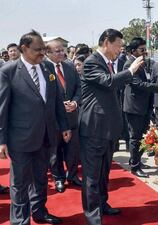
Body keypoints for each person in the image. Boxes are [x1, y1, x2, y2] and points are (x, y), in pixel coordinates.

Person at [0, 30, 71, 225]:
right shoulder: (9, 72)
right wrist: (2, 140)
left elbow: (56, 100)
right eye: (38, 49)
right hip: (20, 139)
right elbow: (2, 109)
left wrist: (64, 125)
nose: (42, 53)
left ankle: (39, 212)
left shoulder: (48, 69)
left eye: (44, 49)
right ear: (24, 48)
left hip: (47, 136)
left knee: (40, 179)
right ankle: (20, 221)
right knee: (20, 183)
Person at [79, 28, 143, 225]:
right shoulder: (91, 63)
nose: (120, 50)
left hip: (107, 129)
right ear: (106, 42)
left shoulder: (107, 63)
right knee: (92, 175)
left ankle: (103, 204)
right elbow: (107, 82)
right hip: (94, 128)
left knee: (104, 172)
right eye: (118, 46)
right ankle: (93, 216)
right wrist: (131, 70)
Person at [123, 37, 158, 178]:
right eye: (142, 50)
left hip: (144, 106)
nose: (145, 52)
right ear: (133, 51)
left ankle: (137, 160)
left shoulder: (142, 62)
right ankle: (135, 167)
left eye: (145, 49)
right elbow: (138, 84)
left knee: (142, 136)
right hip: (134, 107)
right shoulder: (129, 65)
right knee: (135, 137)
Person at [44, 39, 82, 193]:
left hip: (72, 116)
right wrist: (60, 106)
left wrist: (75, 102)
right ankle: (58, 178)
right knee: (56, 151)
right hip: (53, 119)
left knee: (73, 149)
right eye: (57, 51)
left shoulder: (70, 67)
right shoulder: (43, 69)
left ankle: (72, 175)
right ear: (47, 53)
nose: (62, 53)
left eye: (62, 50)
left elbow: (79, 88)